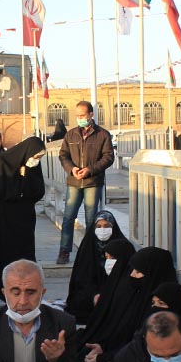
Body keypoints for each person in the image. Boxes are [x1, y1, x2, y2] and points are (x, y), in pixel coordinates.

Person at [79, 246, 178, 362]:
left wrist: (107, 358)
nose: (132, 275)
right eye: (132, 270)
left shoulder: (163, 307)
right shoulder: (139, 297)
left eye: (138, 272)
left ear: (153, 273)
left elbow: (147, 350)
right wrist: (105, 349)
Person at [0, 136, 47, 298]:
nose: (36, 159)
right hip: (0, 219)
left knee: (22, 254)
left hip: (22, 221)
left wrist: (26, 175)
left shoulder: (32, 166)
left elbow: (37, 191)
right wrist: (15, 184)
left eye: (39, 157)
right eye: (36, 156)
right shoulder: (1, 162)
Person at [57, 101, 115, 264]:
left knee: (91, 220)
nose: (80, 118)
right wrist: (72, 169)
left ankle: (92, 253)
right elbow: (63, 155)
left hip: (92, 182)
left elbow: (108, 157)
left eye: (82, 115)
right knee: (68, 217)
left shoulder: (103, 134)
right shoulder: (71, 134)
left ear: (91, 114)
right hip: (74, 181)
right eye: (77, 116)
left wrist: (90, 169)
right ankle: (64, 251)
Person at [64, 210, 128, 325]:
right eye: (99, 226)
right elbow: (81, 278)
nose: (102, 230)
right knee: (79, 302)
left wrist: (109, 293)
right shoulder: (88, 246)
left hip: (116, 291)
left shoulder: (123, 246)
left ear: (113, 227)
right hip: (91, 293)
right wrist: (94, 295)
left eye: (107, 226)